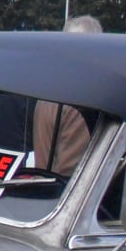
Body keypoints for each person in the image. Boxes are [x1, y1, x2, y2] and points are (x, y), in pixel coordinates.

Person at [32, 16, 102, 175]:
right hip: (65, 192)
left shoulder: (46, 94)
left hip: (43, 188)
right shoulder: (82, 101)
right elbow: (70, 172)